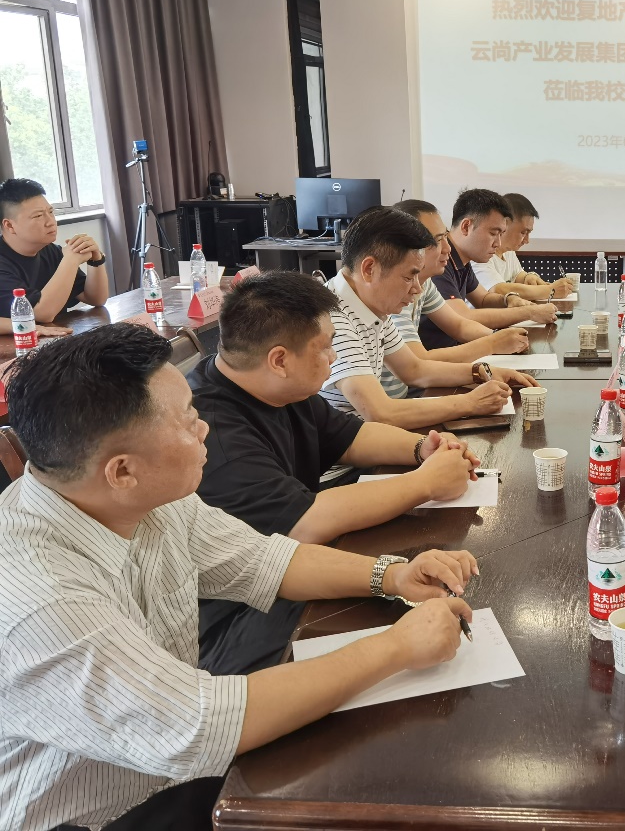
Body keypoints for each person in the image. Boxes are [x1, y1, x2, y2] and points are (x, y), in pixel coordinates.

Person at [0, 324, 478, 831]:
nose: (205, 428)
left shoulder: (145, 498)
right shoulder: (40, 597)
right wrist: (397, 647)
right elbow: (200, 725)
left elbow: (263, 561)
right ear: (121, 471)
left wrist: (394, 574)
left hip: (169, 770)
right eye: (188, 420)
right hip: (96, 815)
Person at [188, 271, 481, 676]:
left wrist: (421, 449)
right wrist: (425, 482)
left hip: (291, 572)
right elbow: (304, 523)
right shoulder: (214, 433)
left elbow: (351, 436)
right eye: (325, 347)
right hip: (236, 617)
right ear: (279, 360)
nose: (333, 357)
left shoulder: (274, 385)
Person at [320, 206, 535, 430]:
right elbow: (382, 414)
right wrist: (470, 403)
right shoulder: (334, 319)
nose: (417, 289)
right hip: (354, 447)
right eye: (408, 277)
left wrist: (481, 371)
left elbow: (415, 370)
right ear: (369, 269)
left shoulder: (370, 305)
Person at [376, 200, 531, 400]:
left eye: (445, 237)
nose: (447, 249)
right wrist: (493, 343)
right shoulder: (393, 296)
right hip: (414, 394)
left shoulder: (424, 283)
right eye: (436, 240)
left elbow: (459, 325)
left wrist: (502, 341)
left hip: (414, 393)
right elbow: (417, 364)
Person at [419, 189, 556, 349]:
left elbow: (483, 299)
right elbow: (462, 318)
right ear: (466, 227)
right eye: (493, 233)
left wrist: (508, 299)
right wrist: (529, 313)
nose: (498, 243)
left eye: (501, 234)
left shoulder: (463, 259)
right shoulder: (439, 262)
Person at [0, 177, 107, 321]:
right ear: (9, 225)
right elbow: (42, 314)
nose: (50, 222)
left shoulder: (50, 251)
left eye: (50, 212)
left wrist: (96, 260)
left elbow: (95, 298)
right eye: (38, 216)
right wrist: (70, 260)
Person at [470, 192, 574, 301]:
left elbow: (517, 275)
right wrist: (550, 290)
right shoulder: (480, 254)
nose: (527, 240)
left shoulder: (508, 251)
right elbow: (497, 290)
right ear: (504, 224)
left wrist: (528, 277)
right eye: (523, 232)